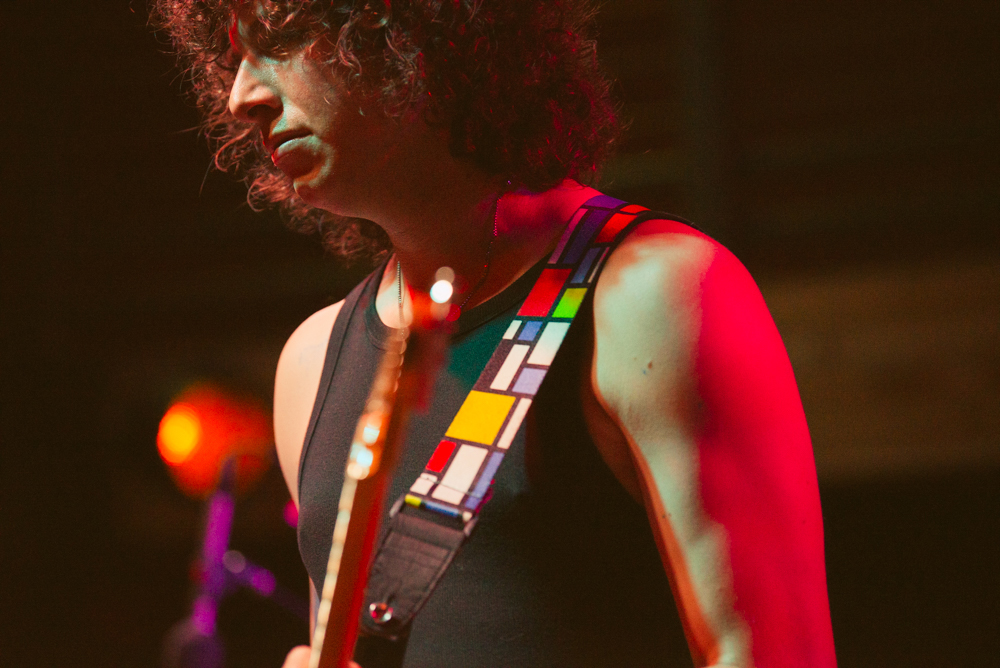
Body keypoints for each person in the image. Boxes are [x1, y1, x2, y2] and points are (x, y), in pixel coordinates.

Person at [154, 1, 838, 666]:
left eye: (282, 38)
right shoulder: (309, 365)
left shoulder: (656, 294)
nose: (244, 96)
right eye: (236, 59)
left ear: (413, 25)